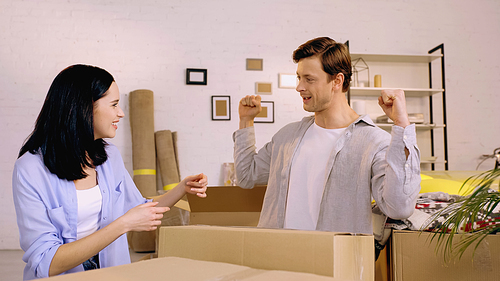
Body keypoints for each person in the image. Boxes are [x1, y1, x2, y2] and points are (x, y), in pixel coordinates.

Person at [12, 64, 208, 280]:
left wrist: (181, 188)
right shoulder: (30, 169)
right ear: (84, 107)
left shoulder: (109, 157)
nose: (121, 113)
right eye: (114, 105)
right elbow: (46, 263)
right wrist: (123, 224)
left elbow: (140, 210)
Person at [233, 37, 420, 235]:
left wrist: (402, 125)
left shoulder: (373, 142)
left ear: (337, 81)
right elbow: (246, 176)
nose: (299, 87)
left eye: (309, 79)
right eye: (299, 78)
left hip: (334, 262)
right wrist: (246, 121)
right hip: (278, 259)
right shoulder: (287, 137)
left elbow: (399, 207)